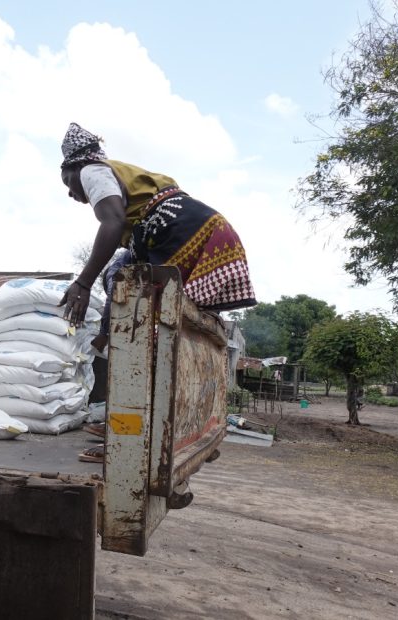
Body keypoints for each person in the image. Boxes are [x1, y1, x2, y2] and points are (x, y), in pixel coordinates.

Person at [58, 123, 257, 462]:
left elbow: (112, 222)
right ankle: (178, 427)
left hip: (180, 232)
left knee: (143, 340)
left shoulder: (92, 170)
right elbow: (120, 260)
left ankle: (128, 444)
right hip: (204, 229)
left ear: (76, 167)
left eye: (67, 182)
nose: (70, 192)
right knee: (154, 326)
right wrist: (105, 331)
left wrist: (82, 282)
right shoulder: (133, 203)